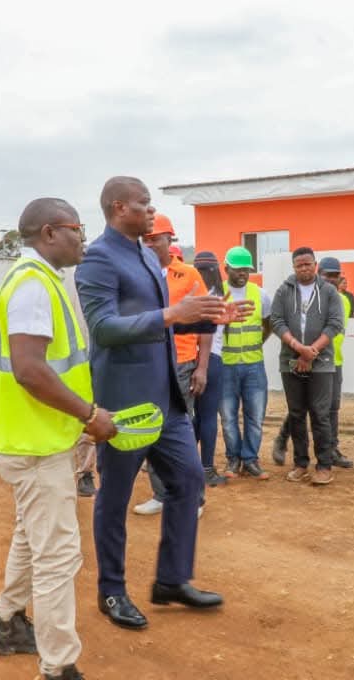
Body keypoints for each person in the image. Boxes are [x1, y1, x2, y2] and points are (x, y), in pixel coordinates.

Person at [76, 176, 230, 631]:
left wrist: (201, 318)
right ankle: (111, 590)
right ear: (119, 208)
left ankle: (171, 580)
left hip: (166, 399)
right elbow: (104, 328)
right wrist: (172, 313)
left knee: (189, 479)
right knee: (115, 497)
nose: (151, 210)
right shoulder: (98, 259)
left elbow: (158, 325)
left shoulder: (146, 254)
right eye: (144, 203)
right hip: (124, 405)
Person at [0, 197, 115, 680]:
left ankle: (8, 620)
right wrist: (89, 415)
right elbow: (29, 369)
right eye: (77, 228)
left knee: (30, 532)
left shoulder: (43, 279)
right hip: (34, 443)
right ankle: (58, 665)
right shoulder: (33, 285)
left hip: (34, 437)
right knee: (58, 554)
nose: (83, 237)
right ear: (49, 233)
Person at [134, 213, 214, 516]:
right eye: (145, 239)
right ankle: (162, 494)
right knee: (151, 430)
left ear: (170, 239)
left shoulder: (189, 275)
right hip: (146, 366)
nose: (149, 243)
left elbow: (206, 324)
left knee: (180, 432)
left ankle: (193, 499)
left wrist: (202, 367)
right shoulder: (137, 275)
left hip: (181, 364)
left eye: (155, 238)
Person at [270, 246, 344, 485]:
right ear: (294, 267)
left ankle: (324, 466)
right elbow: (276, 321)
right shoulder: (284, 290)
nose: (304, 269)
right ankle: (300, 464)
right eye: (299, 265)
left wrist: (312, 351)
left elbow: (335, 323)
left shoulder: (329, 291)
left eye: (308, 264)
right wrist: (297, 347)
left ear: (315, 265)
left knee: (321, 414)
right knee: (296, 414)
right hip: (290, 361)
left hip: (321, 362)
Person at [218, 246, 272, 480]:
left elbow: (269, 324)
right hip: (225, 365)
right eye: (238, 269)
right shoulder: (217, 294)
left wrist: (258, 342)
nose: (243, 273)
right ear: (226, 268)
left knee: (255, 416)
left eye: (246, 270)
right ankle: (233, 459)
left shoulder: (260, 294)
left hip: (253, 365)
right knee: (228, 417)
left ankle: (250, 459)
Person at [191, 252, 229, 487]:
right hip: (211, 361)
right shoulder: (218, 298)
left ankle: (182, 463)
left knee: (190, 417)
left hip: (187, 360)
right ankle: (206, 469)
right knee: (207, 417)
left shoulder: (191, 296)